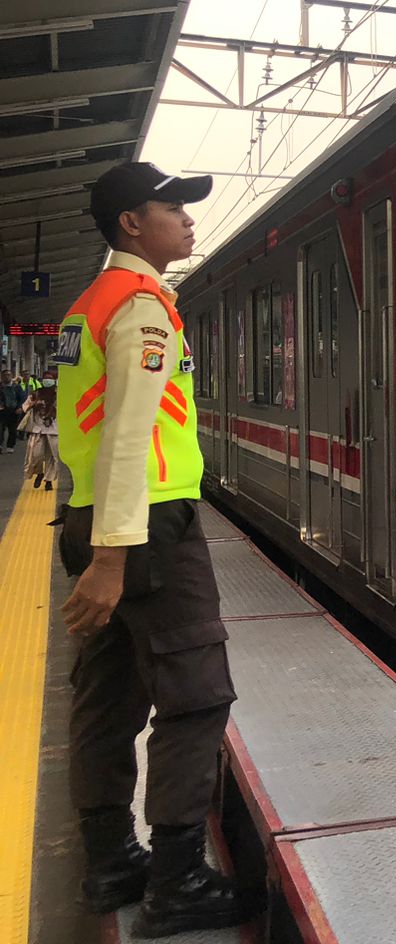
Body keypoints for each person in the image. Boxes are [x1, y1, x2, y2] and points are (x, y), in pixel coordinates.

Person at [56, 161, 247, 937]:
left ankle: (110, 859)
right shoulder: (140, 307)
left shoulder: (84, 308)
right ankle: (176, 881)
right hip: (145, 531)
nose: (189, 219)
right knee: (197, 695)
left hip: (91, 517)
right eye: (174, 207)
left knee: (107, 695)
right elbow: (132, 436)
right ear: (132, 224)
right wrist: (111, 558)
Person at [20, 379, 59, 490]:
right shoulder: (35, 395)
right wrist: (34, 404)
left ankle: (49, 480)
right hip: (38, 430)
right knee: (35, 455)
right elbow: (24, 407)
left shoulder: (58, 396)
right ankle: (39, 473)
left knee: (51, 456)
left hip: (53, 430)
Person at [0, 370, 22, 452]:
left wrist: (20, 408)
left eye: (8, 375)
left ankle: (10, 446)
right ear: (1, 377)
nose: (6, 377)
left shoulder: (17, 387)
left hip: (14, 411)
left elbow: (21, 399)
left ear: (11, 376)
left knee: (12, 430)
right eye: (4, 375)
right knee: (1, 429)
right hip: (2, 411)